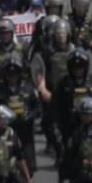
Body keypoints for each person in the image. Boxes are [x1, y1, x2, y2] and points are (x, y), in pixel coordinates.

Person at [31, 18, 77, 162]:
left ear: (68, 34)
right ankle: (59, 151)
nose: (61, 36)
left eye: (63, 33)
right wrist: (42, 88)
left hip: (71, 94)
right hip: (52, 94)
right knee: (49, 124)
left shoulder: (76, 52)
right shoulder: (46, 52)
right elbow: (39, 70)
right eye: (58, 33)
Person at [0, 56, 41, 176]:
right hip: (6, 132)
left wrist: (30, 116)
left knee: (28, 165)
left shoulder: (29, 88)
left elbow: (38, 108)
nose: (12, 76)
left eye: (15, 73)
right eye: (9, 73)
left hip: (25, 131)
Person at [53, 50, 92, 146]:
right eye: (75, 68)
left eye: (81, 67)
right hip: (69, 127)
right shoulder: (63, 84)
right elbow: (55, 107)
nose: (78, 70)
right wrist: (56, 128)